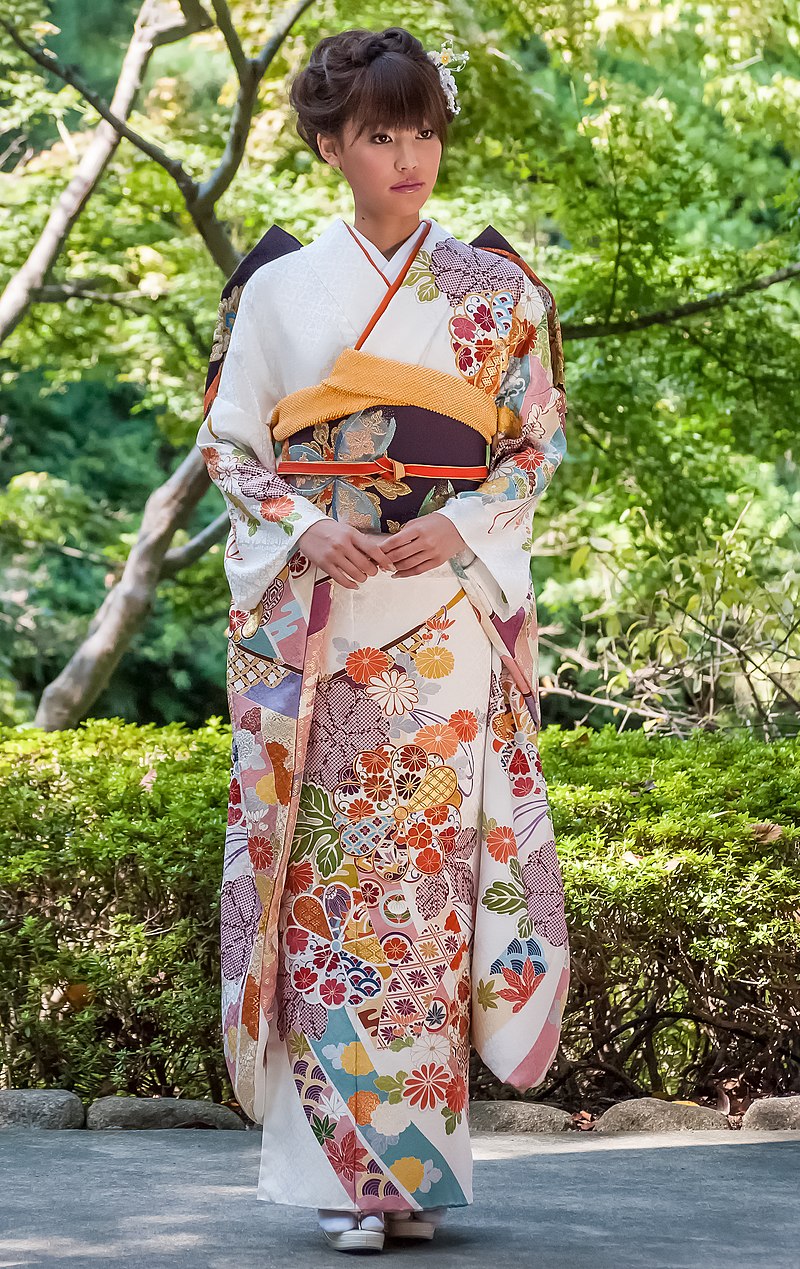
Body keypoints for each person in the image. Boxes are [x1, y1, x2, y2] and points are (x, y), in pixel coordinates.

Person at [196, 24, 570, 1254]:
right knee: (321, 890)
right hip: (320, 621)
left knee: (421, 890)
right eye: (379, 135)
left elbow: (532, 445)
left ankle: (406, 1176)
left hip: (440, 620)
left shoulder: (498, 294)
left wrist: (457, 524)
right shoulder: (278, 291)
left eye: (423, 132)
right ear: (328, 146)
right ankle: (355, 1179)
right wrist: (308, 532)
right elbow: (232, 449)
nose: (410, 156)